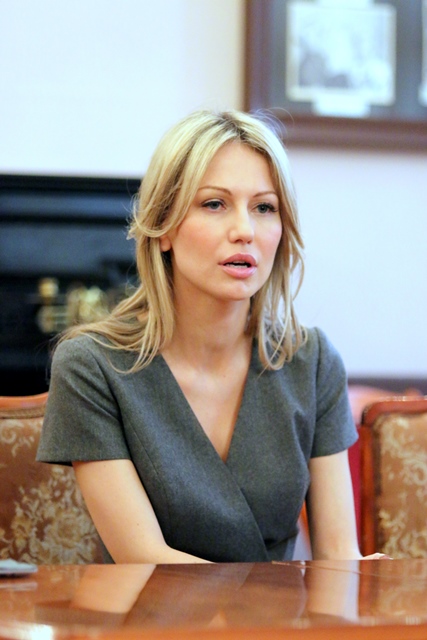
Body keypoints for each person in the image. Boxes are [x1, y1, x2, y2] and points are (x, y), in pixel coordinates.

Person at [37, 109, 385, 564]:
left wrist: (367, 581)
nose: (244, 231)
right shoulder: (91, 365)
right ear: (164, 227)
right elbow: (146, 561)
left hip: (288, 612)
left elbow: (339, 554)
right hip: (154, 610)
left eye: (264, 207)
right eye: (214, 204)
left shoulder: (313, 361)